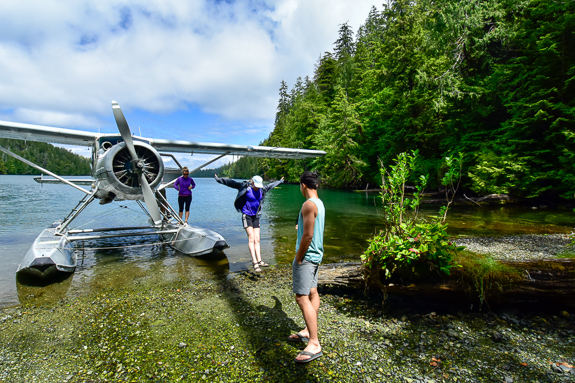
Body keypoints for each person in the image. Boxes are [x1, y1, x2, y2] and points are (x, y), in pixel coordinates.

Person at [289, 171, 325, 364]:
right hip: (317, 255)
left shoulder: (308, 204)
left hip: (307, 257)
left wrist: (298, 258)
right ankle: (307, 330)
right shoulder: (319, 203)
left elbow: (308, 236)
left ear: (303, 185)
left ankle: (314, 343)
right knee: (312, 291)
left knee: (301, 297)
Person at [215, 174, 283, 272]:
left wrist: (280, 181)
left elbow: (271, 186)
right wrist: (219, 179)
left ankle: (260, 260)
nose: (257, 187)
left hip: (256, 217)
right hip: (246, 216)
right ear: (252, 182)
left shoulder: (262, 190)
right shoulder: (245, 187)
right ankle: (254, 262)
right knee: (251, 238)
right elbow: (231, 183)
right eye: (256, 185)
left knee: (257, 239)